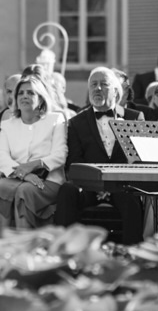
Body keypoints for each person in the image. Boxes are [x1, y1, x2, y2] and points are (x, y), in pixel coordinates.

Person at [52, 67, 148, 242]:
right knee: (67, 190)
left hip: (122, 186)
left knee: (132, 198)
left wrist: (113, 186)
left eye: (104, 84)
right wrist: (97, 186)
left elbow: (139, 159)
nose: (97, 88)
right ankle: (64, 249)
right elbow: (75, 162)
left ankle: (132, 254)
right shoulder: (76, 122)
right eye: (93, 84)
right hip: (89, 185)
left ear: (116, 91)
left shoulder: (134, 118)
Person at [0, 72, 67, 231]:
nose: (24, 96)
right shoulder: (8, 125)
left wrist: (32, 165)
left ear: (40, 99)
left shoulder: (55, 120)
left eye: (30, 92)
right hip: (17, 178)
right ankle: (2, 246)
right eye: (20, 93)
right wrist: (24, 174)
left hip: (49, 180)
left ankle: (25, 247)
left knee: (24, 191)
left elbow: (60, 155)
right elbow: (2, 158)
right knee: (1, 188)